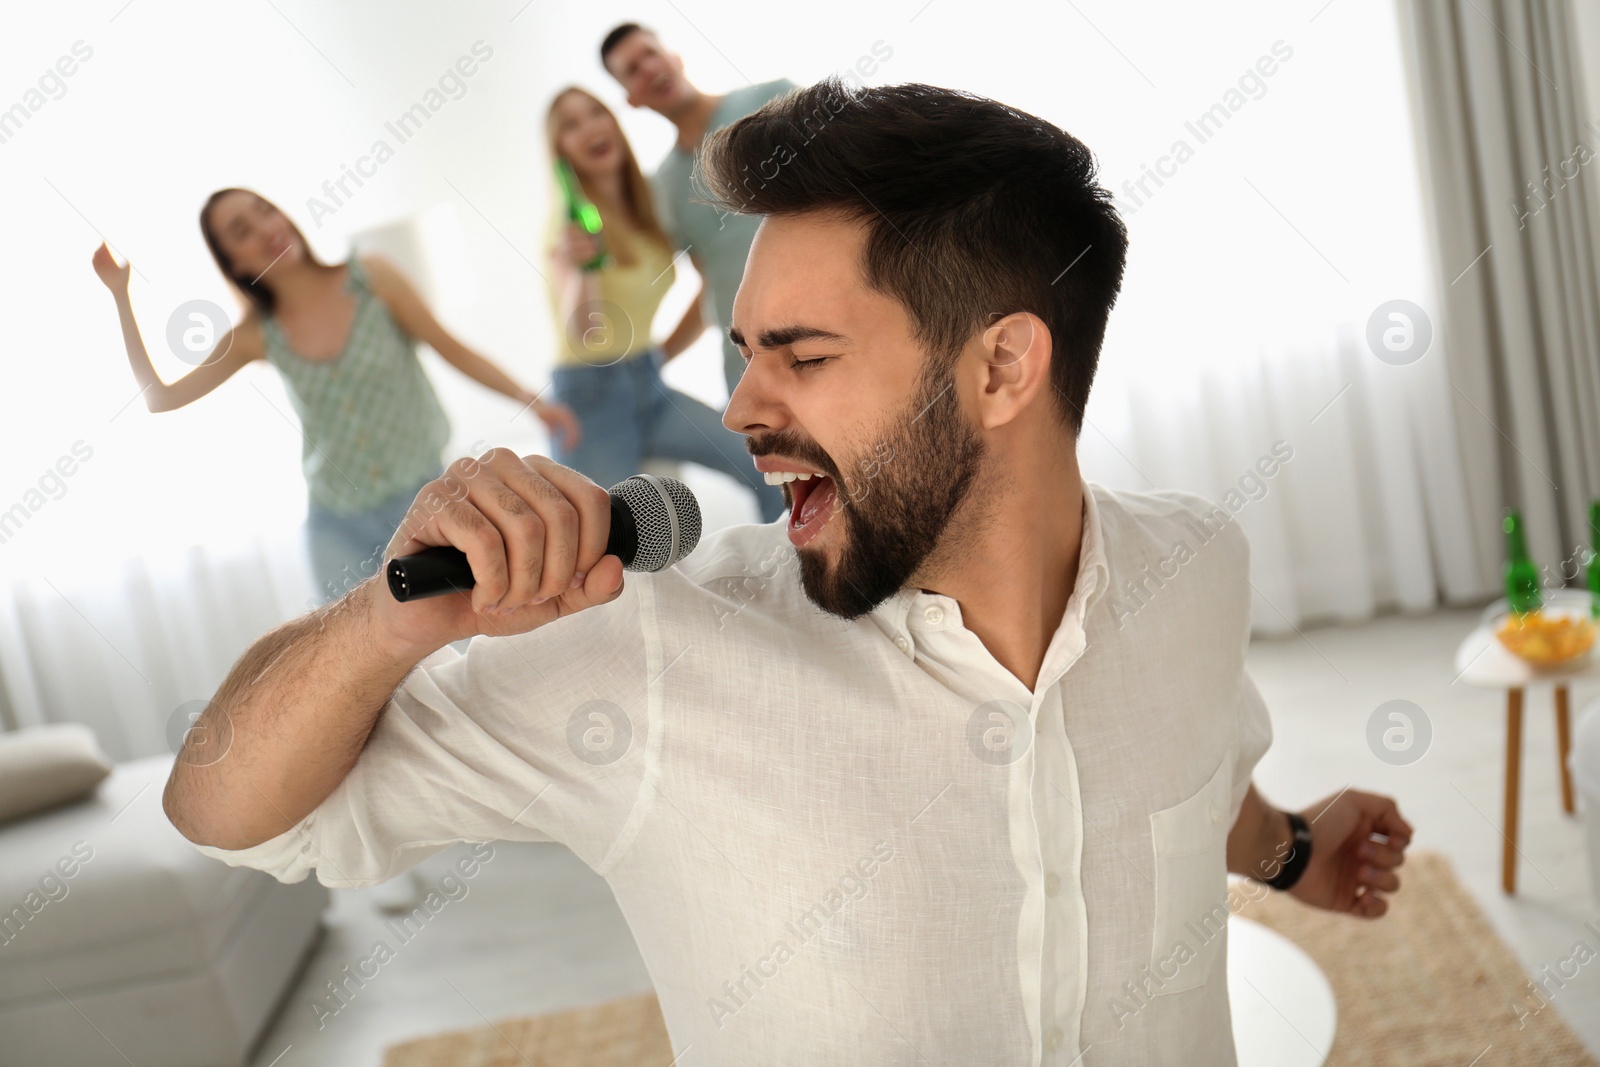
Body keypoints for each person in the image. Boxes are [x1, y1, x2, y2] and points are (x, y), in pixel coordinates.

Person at [162, 80, 1413, 1065]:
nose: (740, 408)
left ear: (1001, 369)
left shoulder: (1196, 564)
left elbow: (1189, 776)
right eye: (740, 352)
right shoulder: (649, 652)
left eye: (800, 357)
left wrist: (1298, 849)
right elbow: (227, 812)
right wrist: (385, 620)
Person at [91, 189, 581, 606]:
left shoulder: (372, 277)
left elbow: (450, 347)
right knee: (367, 677)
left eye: (265, 211)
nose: (265, 228)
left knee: (468, 634)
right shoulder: (257, 335)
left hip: (429, 504)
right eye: (242, 231)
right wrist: (119, 295)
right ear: (233, 262)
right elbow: (160, 397)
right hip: (336, 526)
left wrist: (531, 400)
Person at [543, 87, 784, 523]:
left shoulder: (646, 210)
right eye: (570, 125)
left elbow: (705, 283)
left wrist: (662, 355)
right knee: (596, 538)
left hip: (647, 381)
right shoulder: (570, 226)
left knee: (761, 465)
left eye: (596, 113)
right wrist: (582, 273)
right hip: (590, 398)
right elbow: (585, 329)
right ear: (560, 149)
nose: (590, 128)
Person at [600, 22, 796, 399]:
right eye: (632, 71)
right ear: (631, 99)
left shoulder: (775, 101)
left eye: (650, 55)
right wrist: (656, 360)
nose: (649, 70)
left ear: (674, 58)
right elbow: (709, 283)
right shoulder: (664, 189)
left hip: (820, 341)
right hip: (745, 366)